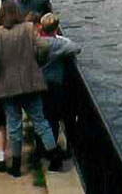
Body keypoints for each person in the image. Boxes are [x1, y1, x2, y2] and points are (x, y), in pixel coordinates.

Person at [0, 0, 63, 177]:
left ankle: (17, 165)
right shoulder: (28, 29)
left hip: (7, 86)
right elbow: (43, 47)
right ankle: (54, 157)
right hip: (30, 82)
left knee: (14, 124)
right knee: (40, 121)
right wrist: (37, 61)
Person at [39, 13, 81, 156]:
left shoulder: (37, 41)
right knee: (53, 118)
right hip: (54, 85)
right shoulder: (59, 44)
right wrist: (61, 39)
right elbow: (76, 48)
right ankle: (52, 150)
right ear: (56, 29)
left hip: (38, 83)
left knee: (41, 116)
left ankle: (42, 147)